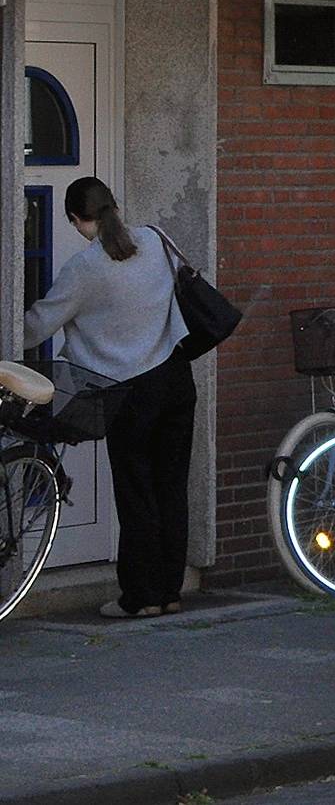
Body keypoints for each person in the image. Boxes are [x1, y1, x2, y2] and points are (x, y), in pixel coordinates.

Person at [24, 178, 196, 619]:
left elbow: (35, 327)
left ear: (77, 220)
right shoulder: (154, 240)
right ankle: (170, 593)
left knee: (136, 493)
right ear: (114, 206)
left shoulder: (85, 269)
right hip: (176, 380)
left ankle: (140, 598)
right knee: (171, 487)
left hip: (130, 391)